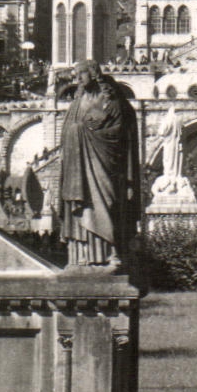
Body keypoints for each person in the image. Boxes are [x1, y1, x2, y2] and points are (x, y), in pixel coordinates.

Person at [57, 60, 141, 269]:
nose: (78, 79)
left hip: (104, 161)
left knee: (106, 203)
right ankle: (81, 256)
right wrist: (78, 132)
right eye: (76, 75)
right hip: (78, 164)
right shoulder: (77, 102)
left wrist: (83, 131)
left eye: (81, 74)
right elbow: (67, 130)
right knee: (82, 206)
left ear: (93, 74)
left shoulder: (110, 99)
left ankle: (111, 254)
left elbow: (119, 130)